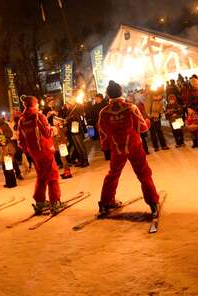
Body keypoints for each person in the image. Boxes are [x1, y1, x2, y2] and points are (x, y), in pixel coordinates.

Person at [98, 81, 160, 217]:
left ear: (108, 95)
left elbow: (102, 132)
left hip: (117, 148)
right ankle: (153, 203)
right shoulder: (130, 108)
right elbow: (142, 128)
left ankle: (105, 203)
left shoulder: (104, 112)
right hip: (134, 146)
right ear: (121, 92)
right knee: (144, 173)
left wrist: (106, 147)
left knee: (112, 175)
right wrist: (148, 121)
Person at [18, 95, 63, 214]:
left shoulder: (21, 119)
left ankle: (40, 201)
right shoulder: (38, 116)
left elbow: (21, 140)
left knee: (42, 176)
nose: (38, 105)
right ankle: (55, 201)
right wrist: (55, 128)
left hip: (34, 153)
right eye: (37, 103)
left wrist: (29, 151)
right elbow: (47, 133)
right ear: (34, 104)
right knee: (52, 175)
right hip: (45, 150)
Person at [60, 97, 89, 167]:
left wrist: (68, 119)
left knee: (80, 145)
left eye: (69, 101)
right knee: (76, 146)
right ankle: (81, 160)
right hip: (71, 129)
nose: (68, 103)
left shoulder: (77, 108)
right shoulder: (69, 109)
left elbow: (78, 117)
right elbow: (66, 116)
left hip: (76, 128)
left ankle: (85, 160)